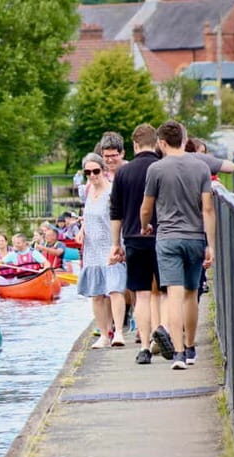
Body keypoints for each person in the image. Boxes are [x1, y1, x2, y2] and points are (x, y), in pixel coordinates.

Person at [140, 120, 216, 370]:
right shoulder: (201, 167)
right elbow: (207, 208)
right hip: (195, 237)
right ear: (184, 139)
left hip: (168, 238)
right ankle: (192, 347)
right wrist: (210, 245)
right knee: (191, 294)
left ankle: (179, 354)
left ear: (161, 142)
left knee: (173, 295)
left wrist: (145, 226)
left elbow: (146, 207)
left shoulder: (156, 169)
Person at [109, 123, 163, 364]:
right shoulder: (161, 168)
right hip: (161, 235)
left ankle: (143, 347)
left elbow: (115, 212)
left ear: (134, 144)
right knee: (162, 292)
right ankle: (161, 334)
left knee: (140, 294)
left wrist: (115, 244)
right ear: (156, 142)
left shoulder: (123, 173)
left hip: (132, 237)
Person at [76, 153, 127, 349]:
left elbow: (118, 217)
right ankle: (104, 333)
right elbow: (87, 215)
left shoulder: (113, 191)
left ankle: (119, 332)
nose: (92, 175)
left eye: (95, 171)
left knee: (114, 290)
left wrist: (118, 244)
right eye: (87, 172)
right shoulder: (88, 191)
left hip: (110, 244)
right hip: (92, 247)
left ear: (103, 170)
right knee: (97, 293)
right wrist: (82, 230)